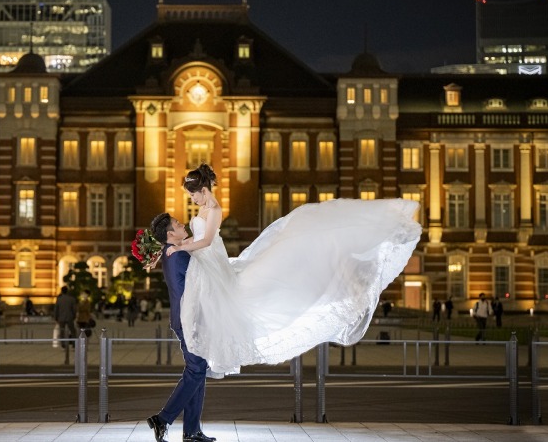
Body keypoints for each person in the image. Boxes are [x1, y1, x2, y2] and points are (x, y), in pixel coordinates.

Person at [162, 163, 422, 377]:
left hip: (213, 261)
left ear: (203, 190)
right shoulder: (203, 209)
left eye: (193, 194)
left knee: (233, 302)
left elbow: (206, 241)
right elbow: (195, 237)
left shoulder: (215, 210)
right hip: (205, 263)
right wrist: (176, 245)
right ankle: (205, 356)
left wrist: (182, 248)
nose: (191, 199)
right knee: (214, 308)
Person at [146, 213, 215, 442]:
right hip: (190, 319)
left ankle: (192, 431)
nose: (182, 224)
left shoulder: (173, 252)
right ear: (170, 234)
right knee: (196, 369)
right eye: (177, 224)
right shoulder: (178, 256)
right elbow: (200, 283)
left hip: (187, 318)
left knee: (198, 369)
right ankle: (163, 419)